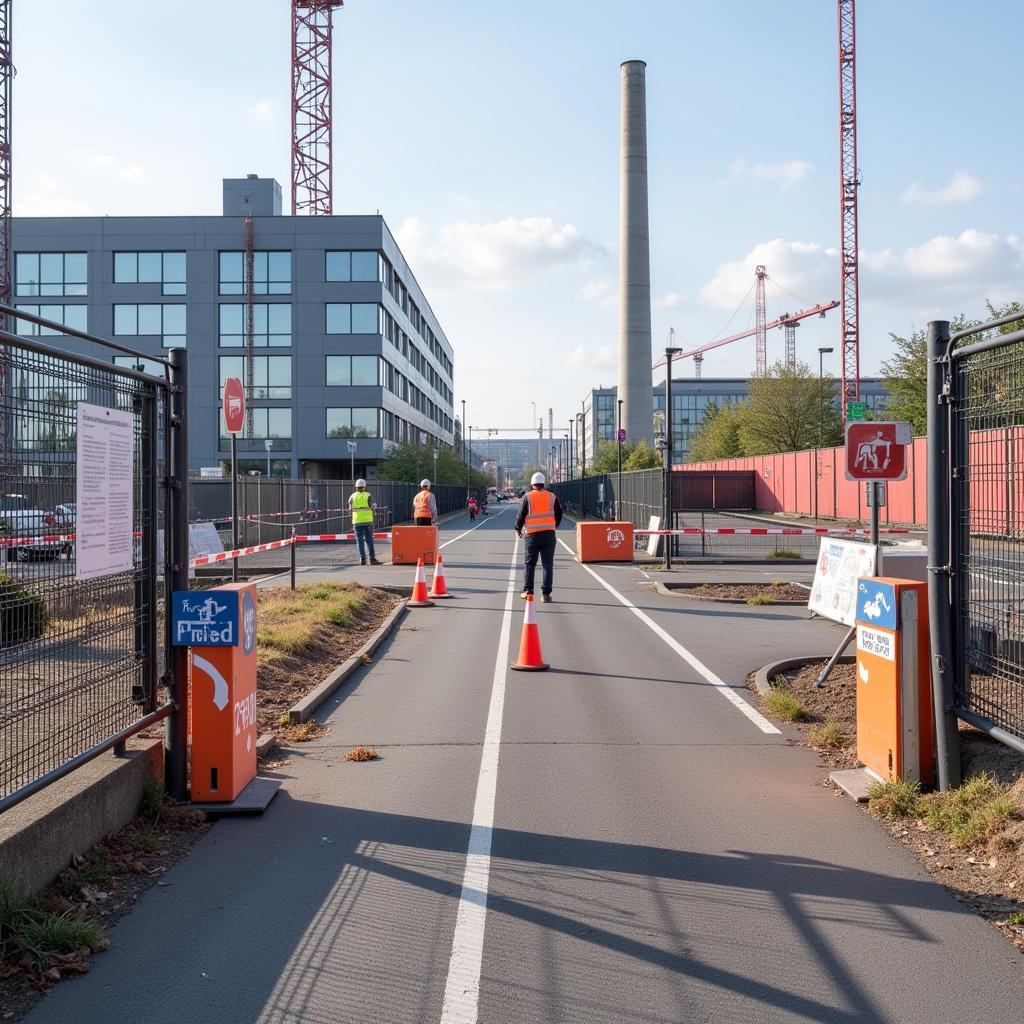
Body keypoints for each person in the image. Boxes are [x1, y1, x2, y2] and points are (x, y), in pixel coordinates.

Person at [515, 471, 563, 603]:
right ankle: (546, 595)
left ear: (532, 484)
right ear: (544, 483)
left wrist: (518, 528)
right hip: (549, 534)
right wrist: (554, 525)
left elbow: (520, 515)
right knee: (547, 565)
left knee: (530, 564)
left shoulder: (528, 497)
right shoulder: (551, 496)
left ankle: (528, 592)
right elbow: (559, 513)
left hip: (532, 535)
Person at [348, 479, 383, 566]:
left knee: (359, 541)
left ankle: (362, 559)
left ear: (356, 487)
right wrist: (375, 513)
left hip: (356, 522)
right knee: (369, 540)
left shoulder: (352, 496)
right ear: (364, 487)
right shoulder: (368, 495)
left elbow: (349, 510)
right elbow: (372, 507)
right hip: (367, 521)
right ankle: (372, 559)